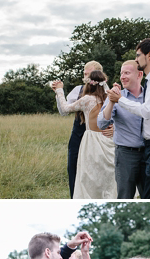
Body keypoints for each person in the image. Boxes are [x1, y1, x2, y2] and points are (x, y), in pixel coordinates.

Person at [107, 38, 150, 199]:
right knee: (148, 196)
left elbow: (147, 111)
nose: (136, 59)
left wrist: (119, 99)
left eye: (138, 55)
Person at [53, 61, 113, 198]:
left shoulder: (105, 95)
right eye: (84, 74)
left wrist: (59, 90)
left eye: (88, 75)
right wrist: (58, 95)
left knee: (95, 172)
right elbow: (63, 111)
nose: (85, 78)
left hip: (94, 137)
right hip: (80, 135)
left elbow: (64, 109)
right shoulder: (78, 90)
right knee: (76, 169)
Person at [97, 60, 146, 198]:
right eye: (121, 73)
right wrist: (112, 102)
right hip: (126, 155)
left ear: (139, 74)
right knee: (125, 196)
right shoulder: (116, 96)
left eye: (127, 73)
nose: (122, 76)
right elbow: (101, 124)